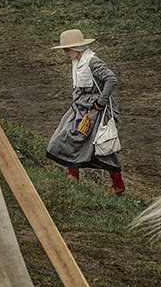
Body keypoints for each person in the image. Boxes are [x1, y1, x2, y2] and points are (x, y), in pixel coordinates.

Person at [45, 28, 125, 195]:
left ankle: (118, 185)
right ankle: (72, 176)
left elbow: (111, 79)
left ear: (78, 48)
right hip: (80, 106)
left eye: (67, 50)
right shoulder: (77, 62)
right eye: (64, 50)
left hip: (97, 110)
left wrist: (101, 102)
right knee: (66, 136)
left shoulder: (93, 62)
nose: (65, 53)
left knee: (104, 147)